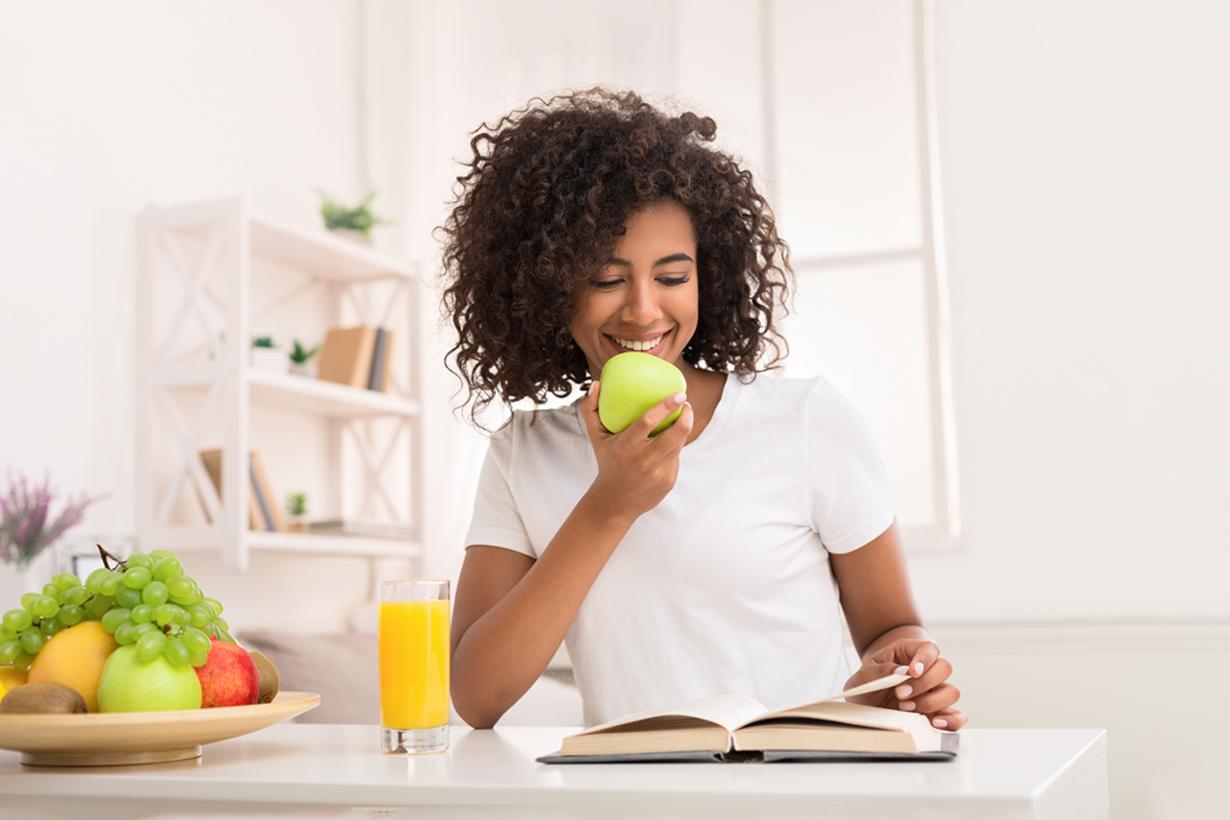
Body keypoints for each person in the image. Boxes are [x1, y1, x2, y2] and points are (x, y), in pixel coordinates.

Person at [439, 87, 965, 732]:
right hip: (633, 794)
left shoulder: (805, 419)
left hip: (810, 784)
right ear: (548, 288)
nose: (642, 310)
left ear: (706, 279)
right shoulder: (525, 452)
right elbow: (476, 695)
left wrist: (900, 672)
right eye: (606, 279)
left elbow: (890, 627)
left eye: (671, 276)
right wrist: (612, 503)